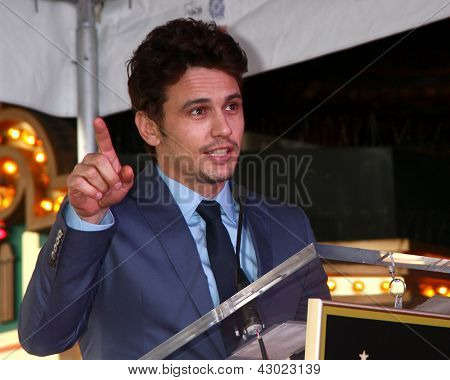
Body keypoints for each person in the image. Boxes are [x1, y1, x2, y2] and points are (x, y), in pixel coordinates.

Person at [18, 18, 330, 359]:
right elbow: (43, 337)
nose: (223, 129)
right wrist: (85, 221)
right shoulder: (106, 223)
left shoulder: (289, 224)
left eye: (231, 106)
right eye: (198, 111)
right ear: (150, 128)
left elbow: (323, 349)